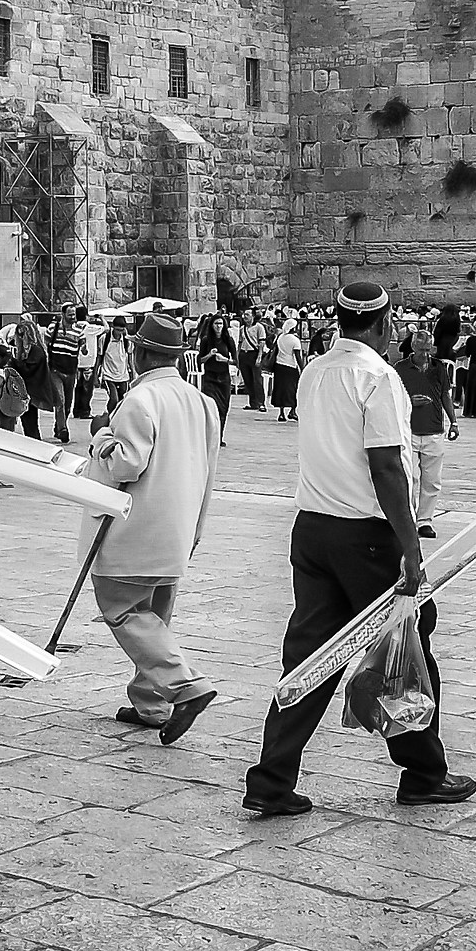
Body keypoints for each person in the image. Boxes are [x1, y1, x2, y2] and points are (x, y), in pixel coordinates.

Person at [242, 282, 475, 817]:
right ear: (383, 323)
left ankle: (272, 777)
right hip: (365, 535)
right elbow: (387, 465)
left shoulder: (313, 372)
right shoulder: (378, 377)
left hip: (313, 529)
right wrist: (411, 546)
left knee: (309, 657)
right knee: (410, 634)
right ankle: (423, 771)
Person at [81, 312, 222, 745]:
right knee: (155, 615)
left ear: (140, 353)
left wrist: (102, 438)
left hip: (135, 528)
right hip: (179, 527)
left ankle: (183, 686)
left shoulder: (140, 400)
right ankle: (151, 703)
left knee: (122, 607)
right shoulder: (202, 402)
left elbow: (126, 462)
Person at [393, 327, 459, 537]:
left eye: (428, 350)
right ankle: (410, 518)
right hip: (409, 431)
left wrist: (454, 422)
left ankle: (425, 521)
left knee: (432, 481)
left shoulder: (438, 367)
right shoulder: (399, 369)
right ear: (413, 348)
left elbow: (445, 395)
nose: (425, 355)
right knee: (409, 478)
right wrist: (410, 403)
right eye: (421, 350)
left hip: (433, 430)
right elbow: (393, 398)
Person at [47, 305, 86, 443]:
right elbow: (45, 343)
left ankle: (58, 426)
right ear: (63, 314)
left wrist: (85, 349)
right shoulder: (53, 329)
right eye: (70, 314)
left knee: (68, 404)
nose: (73, 317)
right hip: (55, 370)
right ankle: (63, 429)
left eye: (74, 314)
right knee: (60, 400)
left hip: (71, 371)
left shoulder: (79, 330)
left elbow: (83, 348)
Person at [197, 313, 237, 445]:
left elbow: (236, 361)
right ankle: (209, 436)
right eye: (216, 324)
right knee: (209, 407)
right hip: (210, 377)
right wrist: (209, 355)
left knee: (223, 408)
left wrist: (225, 359)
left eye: (220, 323)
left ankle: (219, 436)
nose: (218, 326)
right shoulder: (206, 340)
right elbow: (200, 360)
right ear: (212, 325)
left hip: (223, 378)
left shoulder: (228, 340)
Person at [94, 316, 135, 416]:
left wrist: (133, 375)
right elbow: (99, 358)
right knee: (114, 398)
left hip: (123, 375)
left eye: (121, 330)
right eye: (117, 330)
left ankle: (118, 418)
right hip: (108, 375)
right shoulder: (105, 339)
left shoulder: (127, 341)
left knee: (122, 399)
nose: (119, 333)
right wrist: (95, 375)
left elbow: (130, 360)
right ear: (113, 327)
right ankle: (110, 416)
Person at [272, 314, 304, 421]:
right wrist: (303, 368)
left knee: (280, 389)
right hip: (290, 366)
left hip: (279, 365)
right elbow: (298, 357)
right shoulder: (295, 340)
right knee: (293, 389)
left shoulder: (280, 337)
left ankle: (281, 413)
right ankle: (293, 410)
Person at [240, 309, 269, 412]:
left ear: (253, 316)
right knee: (248, 380)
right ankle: (253, 402)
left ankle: (261, 403)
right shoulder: (242, 328)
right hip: (244, 354)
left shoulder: (259, 327)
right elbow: (240, 342)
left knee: (257, 380)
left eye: (247, 314)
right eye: (244, 314)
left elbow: (261, 343)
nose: (245, 316)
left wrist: (259, 356)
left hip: (254, 353)